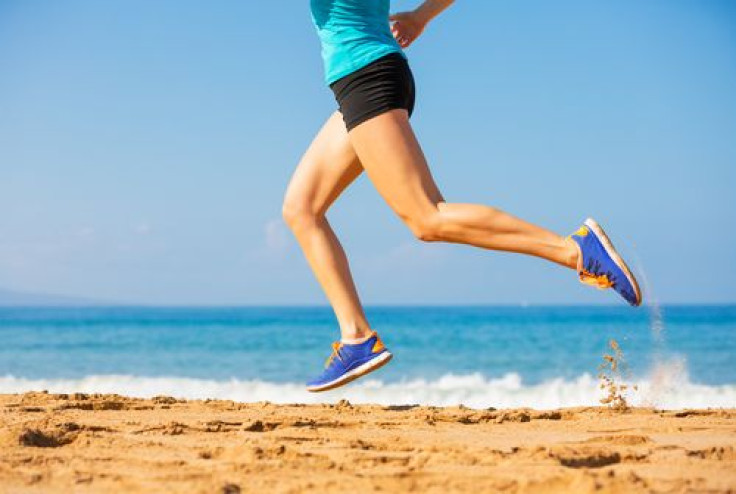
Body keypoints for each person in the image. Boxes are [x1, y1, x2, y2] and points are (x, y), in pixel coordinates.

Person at [283, 0, 642, 392]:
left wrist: (421, 16)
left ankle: (575, 251)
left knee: (427, 218)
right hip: (364, 79)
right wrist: (420, 16)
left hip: (366, 79)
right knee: (302, 209)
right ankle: (356, 338)